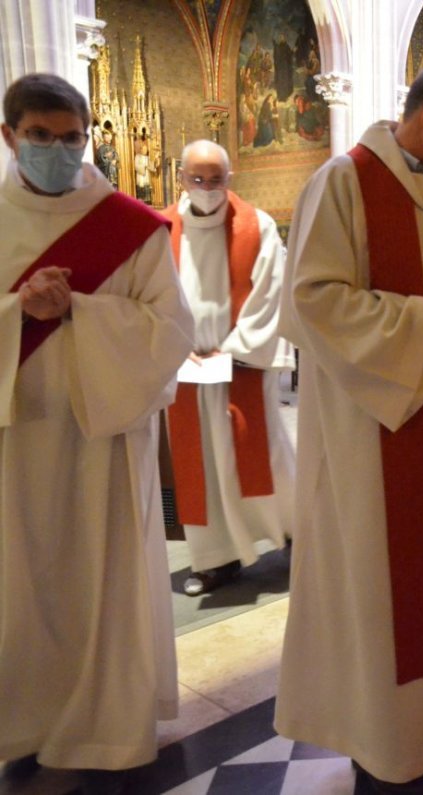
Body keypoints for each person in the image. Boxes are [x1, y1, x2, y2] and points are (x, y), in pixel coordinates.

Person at [274, 60, 423, 791]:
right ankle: (385, 740)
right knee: (382, 583)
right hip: (369, 425)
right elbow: (309, 302)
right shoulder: (346, 180)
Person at [0, 73, 193, 793]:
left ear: (90, 136)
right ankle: (24, 720)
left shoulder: (128, 224)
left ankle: (99, 729)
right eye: (40, 136)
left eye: (71, 137)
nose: (57, 149)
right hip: (14, 439)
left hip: (101, 439)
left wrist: (77, 308)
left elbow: (172, 328)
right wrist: (18, 310)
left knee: (98, 578)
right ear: (9, 135)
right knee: (20, 586)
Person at [163, 140, 295, 596]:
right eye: (195, 179)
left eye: (214, 179)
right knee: (201, 466)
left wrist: (233, 350)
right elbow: (149, 299)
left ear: (229, 178)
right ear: (180, 177)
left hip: (240, 366)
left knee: (264, 454)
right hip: (184, 369)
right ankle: (217, 560)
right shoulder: (159, 230)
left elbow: (271, 292)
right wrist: (176, 350)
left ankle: (294, 530)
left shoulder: (255, 226)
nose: (205, 188)